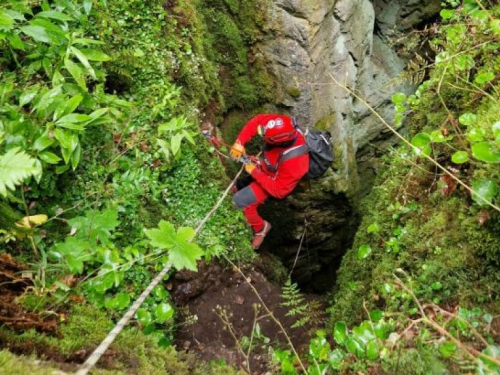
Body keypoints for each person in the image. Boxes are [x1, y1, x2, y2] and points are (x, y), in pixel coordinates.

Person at [230, 114, 309, 249]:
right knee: (241, 184)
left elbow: (279, 191)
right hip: (266, 167)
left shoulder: (297, 162)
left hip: (275, 182)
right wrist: (239, 142)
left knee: (239, 201)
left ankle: (261, 228)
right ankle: (239, 186)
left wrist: (255, 172)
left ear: (278, 141)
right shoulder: (280, 123)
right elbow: (258, 121)